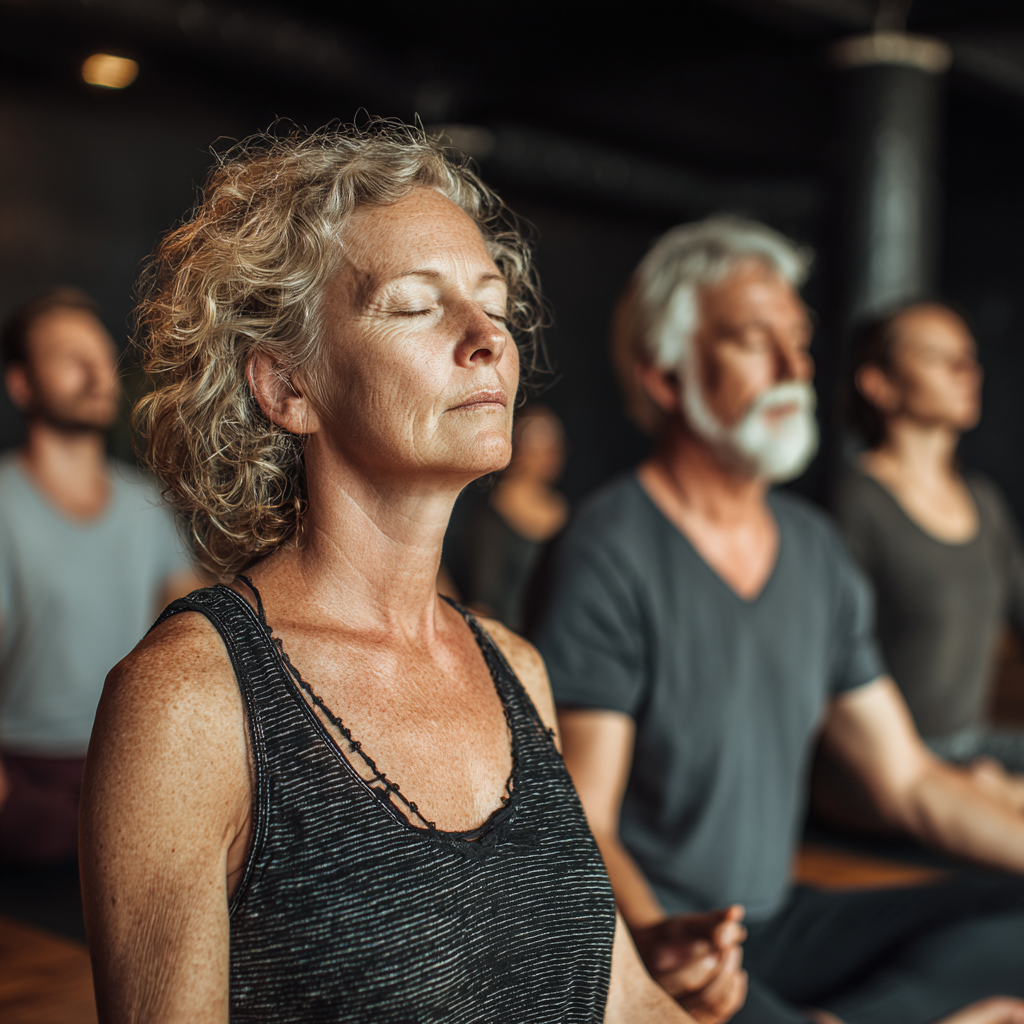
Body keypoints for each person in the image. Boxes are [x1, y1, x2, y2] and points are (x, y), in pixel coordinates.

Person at [79, 124, 714, 1023]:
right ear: (287, 387)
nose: (487, 337)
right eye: (417, 306)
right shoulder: (190, 702)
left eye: (492, 303)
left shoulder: (515, 670)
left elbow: (621, 1003)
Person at [534, 216, 1024, 1024]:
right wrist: (662, 940)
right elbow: (585, 817)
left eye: (798, 341)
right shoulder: (606, 548)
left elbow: (908, 781)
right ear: (666, 375)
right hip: (674, 936)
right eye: (755, 340)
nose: (793, 367)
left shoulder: (815, 549)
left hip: (782, 919)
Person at [0, 288, 197, 865]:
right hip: (23, 782)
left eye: (101, 355)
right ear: (22, 384)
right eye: (69, 356)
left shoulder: (149, 504)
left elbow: (192, 641)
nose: (95, 372)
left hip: (129, 773)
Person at [835, 303, 1024, 781]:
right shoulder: (856, 503)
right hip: (886, 766)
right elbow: (831, 664)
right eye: (940, 357)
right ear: (878, 383)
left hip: (972, 747)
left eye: (968, 357)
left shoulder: (984, 502)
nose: (965, 371)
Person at [445, 404, 569, 631]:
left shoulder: (566, 510)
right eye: (539, 437)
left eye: (555, 438)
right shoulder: (490, 521)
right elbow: (483, 603)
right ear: (516, 443)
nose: (550, 450)